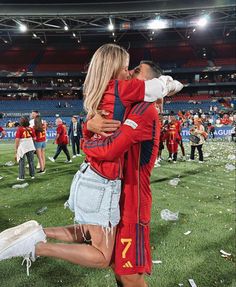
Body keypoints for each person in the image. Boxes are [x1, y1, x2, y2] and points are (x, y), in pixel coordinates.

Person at [0, 46, 182, 284]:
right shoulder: (127, 106)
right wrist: (89, 125)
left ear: (149, 84)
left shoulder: (143, 110)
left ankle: (36, 239)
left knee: (127, 275)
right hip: (113, 191)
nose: (128, 74)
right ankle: (35, 237)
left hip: (131, 204)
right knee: (105, 253)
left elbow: (110, 149)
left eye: (135, 70)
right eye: (128, 68)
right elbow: (103, 132)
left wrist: (86, 138)